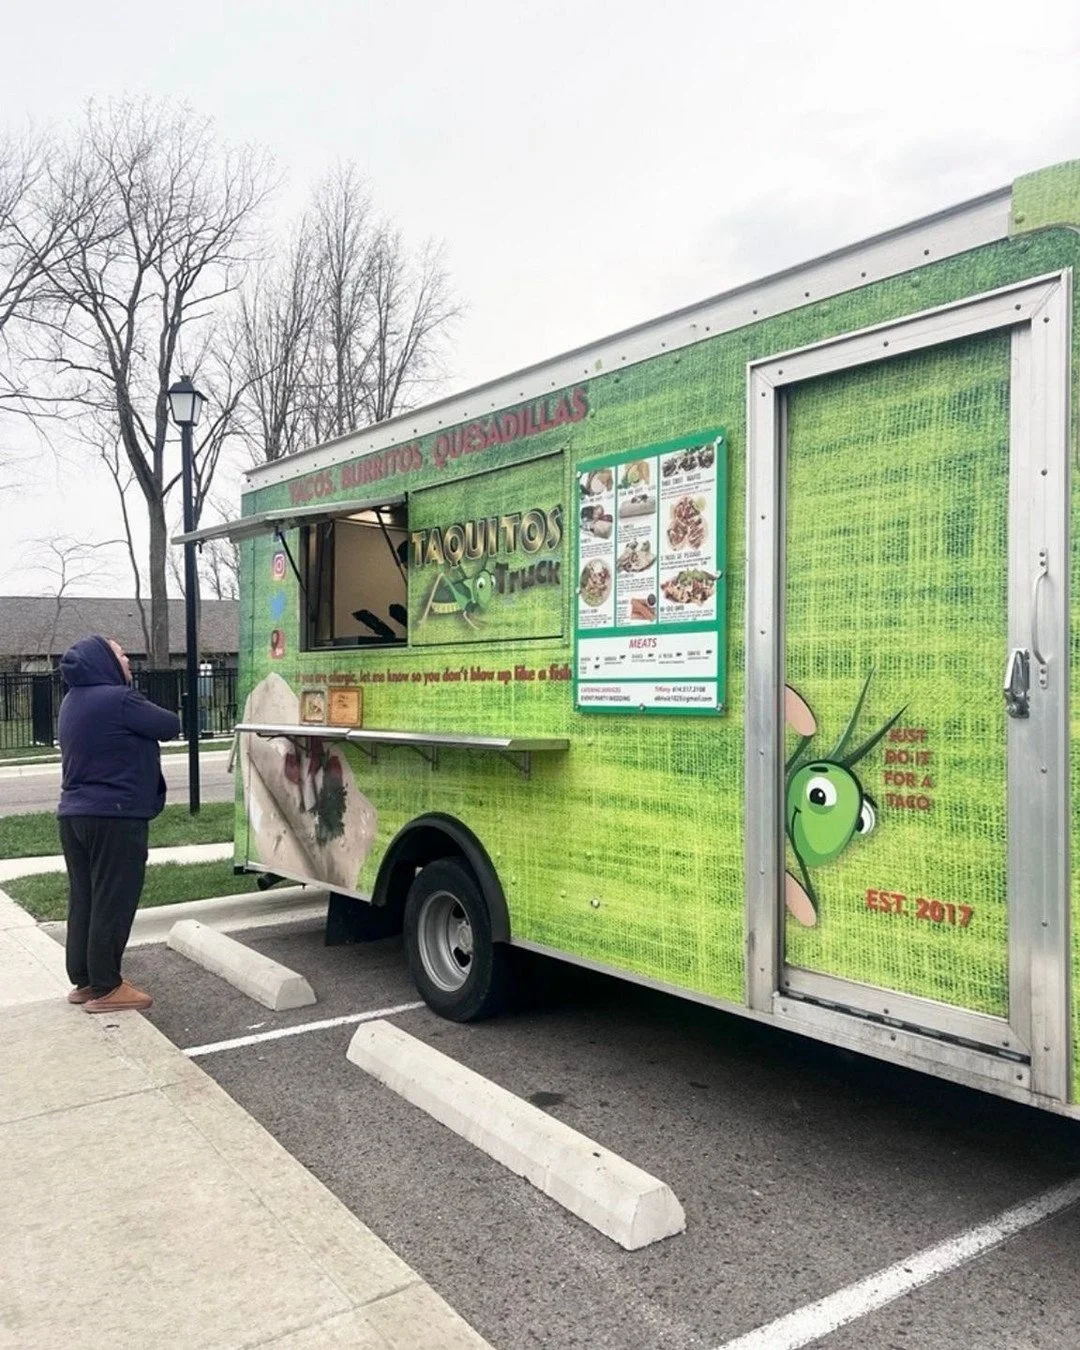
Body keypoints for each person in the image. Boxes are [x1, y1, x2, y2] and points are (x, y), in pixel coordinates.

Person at [56, 636, 182, 1012]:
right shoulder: (119, 699)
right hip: (115, 815)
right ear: (104, 662)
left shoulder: (71, 701)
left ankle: (86, 980)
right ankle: (108, 987)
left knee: (86, 899)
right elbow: (170, 724)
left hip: (74, 815)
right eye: (121, 654)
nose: (128, 659)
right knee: (114, 899)